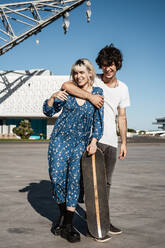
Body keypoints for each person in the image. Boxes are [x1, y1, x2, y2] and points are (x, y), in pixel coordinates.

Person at [62, 44, 130, 237]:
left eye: (112, 65)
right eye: (105, 65)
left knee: (106, 183)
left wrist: (124, 142)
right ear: (100, 65)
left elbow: (122, 117)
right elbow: (67, 86)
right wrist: (90, 96)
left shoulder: (123, 88)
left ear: (118, 65)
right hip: (92, 138)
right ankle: (84, 217)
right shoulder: (93, 81)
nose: (108, 68)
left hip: (111, 142)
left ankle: (103, 219)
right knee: (88, 181)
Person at [43, 58, 105, 243]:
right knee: (56, 177)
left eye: (82, 72)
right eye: (75, 73)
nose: (78, 76)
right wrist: (53, 97)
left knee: (74, 182)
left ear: (90, 74)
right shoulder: (68, 91)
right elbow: (49, 112)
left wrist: (94, 141)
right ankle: (62, 216)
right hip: (59, 141)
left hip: (80, 143)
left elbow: (99, 122)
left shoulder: (98, 93)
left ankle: (68, 225)